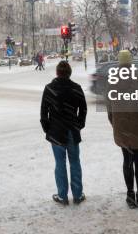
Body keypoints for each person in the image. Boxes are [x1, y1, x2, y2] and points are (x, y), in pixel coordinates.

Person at [107, 50, 138, 209]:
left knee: (127, 161)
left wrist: (116, 124)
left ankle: (130, 194)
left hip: (122, 126)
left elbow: (109, 108)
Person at [40, 60, 87, 206]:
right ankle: (78, 195)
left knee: (60, 164)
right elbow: (83, 109)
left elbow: (43, 113)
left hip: (56, 133)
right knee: (75, 163)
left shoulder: (49, 89)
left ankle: (62, 196)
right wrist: (79, 125)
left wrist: (48, 129)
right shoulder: (76, 88)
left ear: (57, 73)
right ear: (69, 73)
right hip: (72, 131)